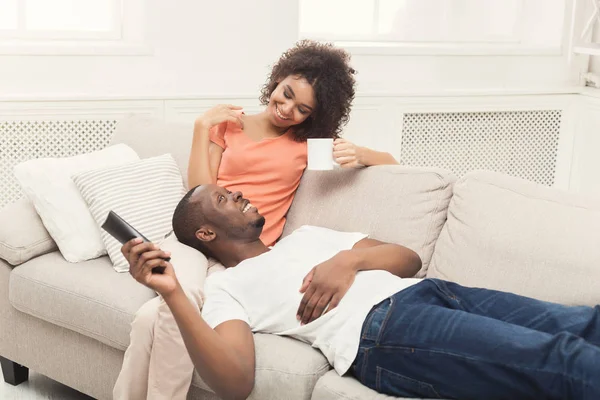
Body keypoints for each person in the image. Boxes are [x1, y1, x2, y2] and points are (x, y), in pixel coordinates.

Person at [124, 184, 600, 400]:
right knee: (561, 359)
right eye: (223, 198)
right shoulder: (226, 287)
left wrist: (347, 260)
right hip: (384, 332)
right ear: (205, 234)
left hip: (431, 291)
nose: (239, 193)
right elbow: (234, 383)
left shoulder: (308, 237)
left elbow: (406, 258)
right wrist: (173, 295)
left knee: (583, 323)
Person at [114, 40, 386, 399]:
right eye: (285, 94)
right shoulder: (229, 126)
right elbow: (199, 194)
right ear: (276, 80)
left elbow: (394, 166)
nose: (287, 109)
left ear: (314, 114)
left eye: (303, 108)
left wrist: (362, 153)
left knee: (154, 317)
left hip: (241, 257)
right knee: (185, 294)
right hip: (196, 240)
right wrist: (200, 128)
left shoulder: (310, 144)